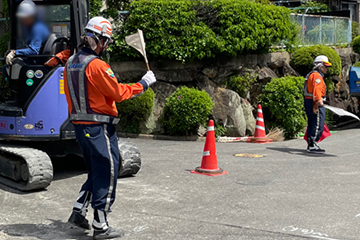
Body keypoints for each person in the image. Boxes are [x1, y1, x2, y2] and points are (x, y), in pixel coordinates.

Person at [64, 16, 156, 239]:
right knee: (107, 171)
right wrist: (143, 83)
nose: (106, 46)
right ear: (98, 39)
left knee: (96, 170)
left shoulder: (70, 62)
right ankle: (101, 225)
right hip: (99, 127)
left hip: (80, 127)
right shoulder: (96, 65)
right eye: (106, 41)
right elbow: (118, 93)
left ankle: (79, 209)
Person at [2, 0, 50, 80]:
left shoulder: (37, 28)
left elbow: (34, 51)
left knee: (9, 68)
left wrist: (15, 52)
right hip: (35, 60)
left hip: (36, 61)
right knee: (7, 68)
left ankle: (14, 86)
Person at [303, 55, 332, 154]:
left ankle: (311, 143)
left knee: (312, 123)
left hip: (309, 101)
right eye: (325, 66)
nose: (326, 69)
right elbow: (317, 89)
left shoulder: (311, 75)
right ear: (319, 65)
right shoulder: (317, 76)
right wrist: (319, 100)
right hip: (314, 102)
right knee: (317, 123)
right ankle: (312, 144)